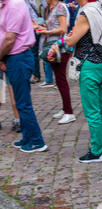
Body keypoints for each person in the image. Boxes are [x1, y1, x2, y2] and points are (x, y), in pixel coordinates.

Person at [66, 0, 102, 163]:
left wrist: (67, 36)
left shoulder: (85, 13)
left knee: (92, 110)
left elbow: (71, 41)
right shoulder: (97, 9)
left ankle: (96, 151)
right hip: (99, 63)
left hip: (88, 65)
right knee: (100, 107)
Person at [0, 0, 47, 153]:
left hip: (18, 57)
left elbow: (9, 39)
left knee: (23, 102)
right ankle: (27, 137)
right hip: (12, 57)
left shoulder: (14, 5)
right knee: (21, 102)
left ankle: (37, 141)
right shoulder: (5, 5)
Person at [38, 0, 76, 124]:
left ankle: (69, 112)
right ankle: (65, 108)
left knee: (61, 80)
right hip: (54, 48)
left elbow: (63, 28)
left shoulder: (59, 7)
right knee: (59, 80)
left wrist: (46, 32)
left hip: (59, 48)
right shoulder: (52, 8)